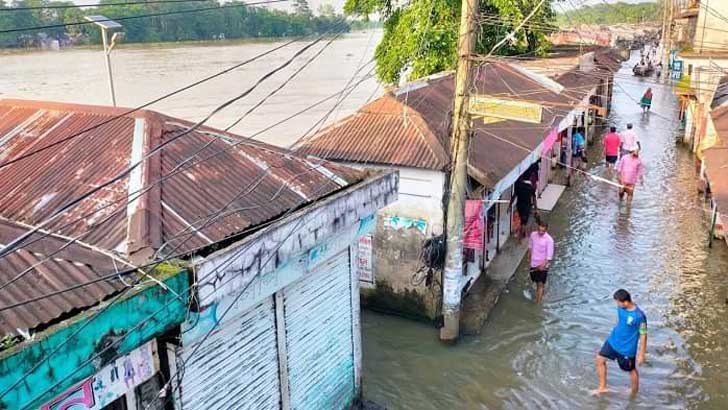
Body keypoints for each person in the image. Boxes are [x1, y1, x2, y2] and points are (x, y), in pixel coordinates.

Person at [595, 289, 648, 396]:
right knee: (599, 360)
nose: (617, 304)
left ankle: (634, 392)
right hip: (613, 341)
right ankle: (602, 387)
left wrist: (641, 354)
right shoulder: (620, 308)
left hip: (626, 349)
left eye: (618, 302)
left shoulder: (639, 316)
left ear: (626, 302)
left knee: (631, 370)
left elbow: (643, 335)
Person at [528, 220, 554, 304]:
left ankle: (537, 303)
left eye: (542, 231)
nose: (540, 232)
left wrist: (543, 265)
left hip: (543, 265)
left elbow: (549, 257)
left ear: (546, 230)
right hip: (533, 264)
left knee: (540, 283)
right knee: (536, 282)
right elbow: (530, 247)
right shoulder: (533, 235)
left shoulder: (549, 240)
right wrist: (529, 259)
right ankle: (540, 294)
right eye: (539, 230)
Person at [514, 177, 537, 242]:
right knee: (524, 222)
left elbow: (514, 196)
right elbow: (534, 199)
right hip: (527, 207)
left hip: (519, 206)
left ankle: (522, 234)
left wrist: (510, 205)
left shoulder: (518, 187)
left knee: (522, 220)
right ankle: (520, 237)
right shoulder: (531, 188)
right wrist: (535, 209)